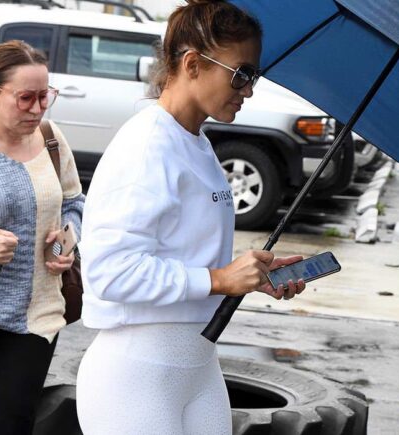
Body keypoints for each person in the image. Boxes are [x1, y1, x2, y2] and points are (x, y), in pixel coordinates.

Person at [77, 1, 306, 434]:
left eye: (254, 75)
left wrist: (251, 273)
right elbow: (110, 272)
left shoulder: (195, 141)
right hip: (135, 377)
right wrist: (218, 279)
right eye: (242, 73)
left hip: (197, 366)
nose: (249, 89)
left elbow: (184, 250)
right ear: (192, 64)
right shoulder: (146, 146)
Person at [0, 40, 84, 435]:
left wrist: (68, 242)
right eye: (26, 98)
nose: (38, 108)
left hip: (33, 315)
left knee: (15, 424)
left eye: (45, 96)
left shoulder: (51, 137)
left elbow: (74, 201)